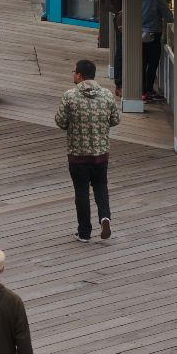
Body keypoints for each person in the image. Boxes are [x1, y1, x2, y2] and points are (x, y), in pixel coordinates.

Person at [55, 59, 122, 243]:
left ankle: (84, 232)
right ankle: (105, 218)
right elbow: (116, 120)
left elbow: (60, 122)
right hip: (101, 154)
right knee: (101, 187)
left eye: (73, 71)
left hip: (78, 155)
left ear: (79, 75)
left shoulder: (70, 96)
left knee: (81, 192)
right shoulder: (107, 96)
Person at [141, 0, 168, 103]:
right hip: (153, 33)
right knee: (153, 64)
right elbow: (168, 16)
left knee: (143, 63)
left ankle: (142, 91)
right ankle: (148, 90)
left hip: (140, 32)